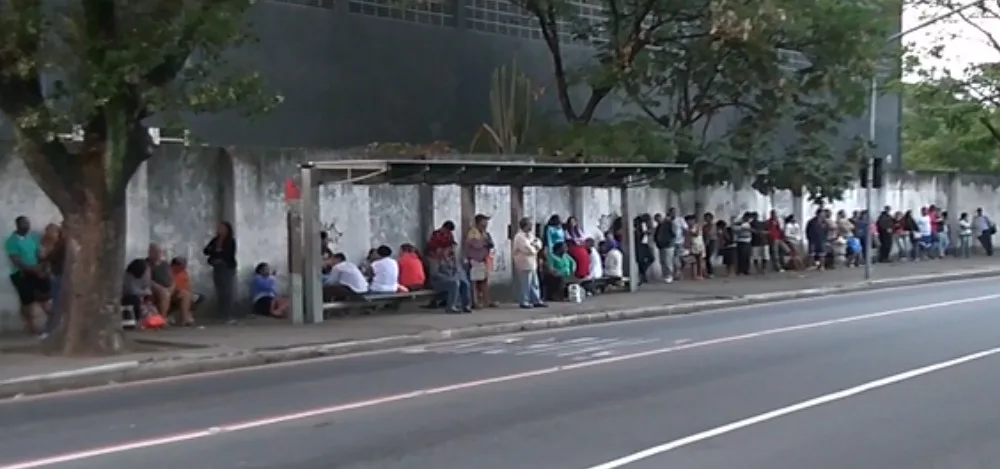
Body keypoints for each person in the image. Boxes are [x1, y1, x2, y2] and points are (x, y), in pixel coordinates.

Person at [5, 216, 45, 335]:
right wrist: (33, 270)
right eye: (23, 224)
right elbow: (16, 261)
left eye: (27, 224)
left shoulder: (33, 237)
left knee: (44, 295)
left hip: (35, 270)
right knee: (27, 301)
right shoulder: (11, 241)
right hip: (20, 273)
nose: (26, 226)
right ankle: (30, 325)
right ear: (17, 226)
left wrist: (41, 265)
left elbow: (38, 253)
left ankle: (50, 322)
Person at [203, 221, 238, 324]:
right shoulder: (215, 240)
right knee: (220, 290)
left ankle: (227, 314)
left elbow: (227, 254)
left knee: (227, 291)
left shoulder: (230, 241)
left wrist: (216, 253)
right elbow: (206, 250)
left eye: (222, 228)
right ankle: (221, 313)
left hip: (227, 267)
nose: (219, 230)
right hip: (217, 267)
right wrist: (216, 252)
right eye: (218, 228)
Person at [511, 217, 545, 309]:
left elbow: (539, 243)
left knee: (534, 283)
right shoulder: (519, 237)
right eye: (529, 225)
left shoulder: (530, 235)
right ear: (524, 226)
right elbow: (527, 249)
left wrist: (535, 246)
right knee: (525, 284)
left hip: (532, 262)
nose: (531, 227)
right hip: (524, 263)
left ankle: (536, 300)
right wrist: (534, 247)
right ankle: (524, 301)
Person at [427, 245, 472, 313]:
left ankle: (465, 305)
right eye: (447, 249)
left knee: (463, 283)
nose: (449, 251)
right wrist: (448, 278)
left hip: (450, 280)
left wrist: (454, 275)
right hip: (438, 281)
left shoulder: (450, 259)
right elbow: (434, 273)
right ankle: (450, 307)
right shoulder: (435, 259)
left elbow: (455, 270)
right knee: (454, 284)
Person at [39, 223, 65, 337]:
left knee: (58, 303)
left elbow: (48, 257)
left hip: (60, 275)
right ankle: (51, 329)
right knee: (56, 302)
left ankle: (51, 329)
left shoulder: (61, 244)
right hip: (56, 275)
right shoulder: (52, 244)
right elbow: (45, 258)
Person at [465, 214, 496, 308]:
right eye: (484, 222)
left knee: (484, 281)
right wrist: (484, 242)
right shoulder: (473, 232)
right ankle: (475, 302)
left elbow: (491, 244)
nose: (486, 224)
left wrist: (485, 241)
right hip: (475, 260)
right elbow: (476, 245)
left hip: (483, 260)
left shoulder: (485, 233)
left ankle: (486, 300)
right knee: (475, 282)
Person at [169, 257, 198, 325]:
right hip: (174, 293)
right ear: (174, 265)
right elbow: (171, 286)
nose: (183, 268)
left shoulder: (184, 272)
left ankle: (188, 317)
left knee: (196, 297)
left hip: (183, 292)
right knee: (186, 295)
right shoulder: (169, 272)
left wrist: (192, 294)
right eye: (181, 266)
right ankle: (185, 319)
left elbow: (188, 285)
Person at [653, 212, 677, 283]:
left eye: (658, 219)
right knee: (662, 261)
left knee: (667, 261)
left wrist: (669, 240)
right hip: (661, 246)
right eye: (656, 220)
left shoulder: (669, 224)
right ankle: (665, 275)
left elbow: (674, 233)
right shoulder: (659, 226)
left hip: (668, 245)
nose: (657, 221)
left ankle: (669, 275)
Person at [686, 215, 705, 280]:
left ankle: (700, 274)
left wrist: (690, 232)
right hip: (691, 245)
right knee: (692, 260)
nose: (690, 222)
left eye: (691, 220)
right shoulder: (687, 227)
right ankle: (694, 274)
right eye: (688, 220)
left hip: (698, 244)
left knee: (699, 260)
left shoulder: (697, 226)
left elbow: (696, 234)